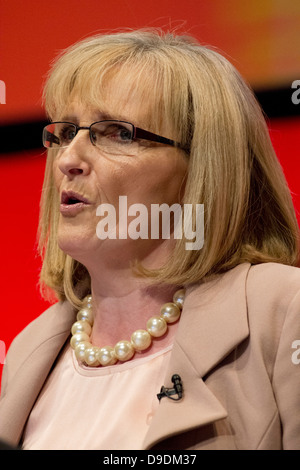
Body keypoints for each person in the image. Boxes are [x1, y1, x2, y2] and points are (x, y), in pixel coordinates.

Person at [0, 29, 300, 451]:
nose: (68, 159)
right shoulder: (30, 350)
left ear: (202, 170)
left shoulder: (284, 312)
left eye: (116, 133)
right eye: (67, 132)